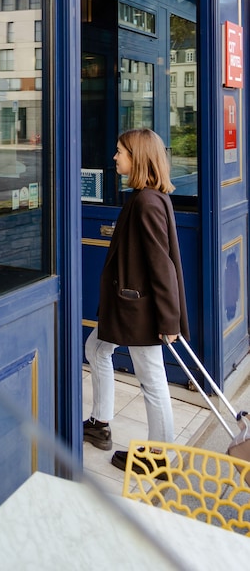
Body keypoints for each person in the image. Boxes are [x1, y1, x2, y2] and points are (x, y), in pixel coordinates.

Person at [83, 128, 189, 473]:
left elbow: (162, 265)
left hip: (140, 310)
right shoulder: (146, 197)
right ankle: (100, 423)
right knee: (97, 349)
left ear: (138, 157)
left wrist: (169, 321)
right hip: (129, 307)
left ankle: (160, 456)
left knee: (152, 379)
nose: (115, 157)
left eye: (120, 151)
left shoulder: (146, 203)